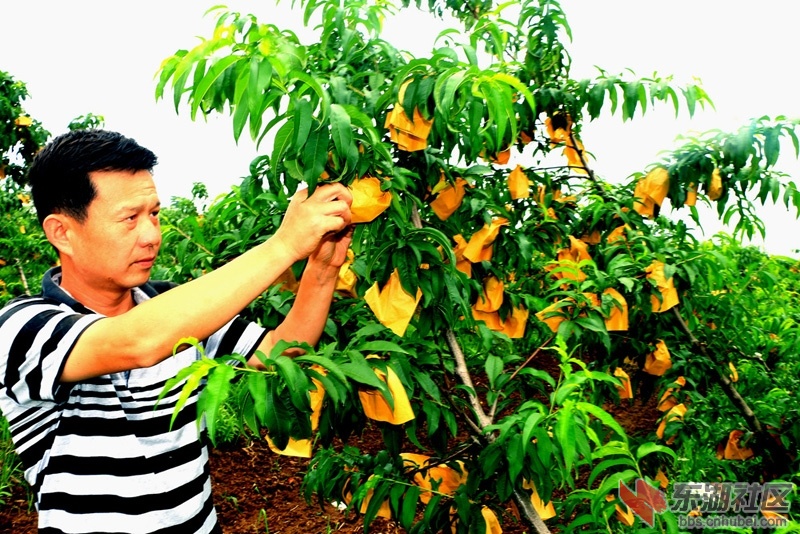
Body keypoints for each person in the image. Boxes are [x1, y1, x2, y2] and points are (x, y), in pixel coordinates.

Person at [0, 129, 353, 534]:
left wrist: (323, 272)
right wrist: (284, 244)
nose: (152, 235)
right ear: (63, 232)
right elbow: (135, 342)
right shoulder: (20, 327)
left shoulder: (171, 306)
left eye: (154, 214)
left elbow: (279, 350)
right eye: (129, 218)